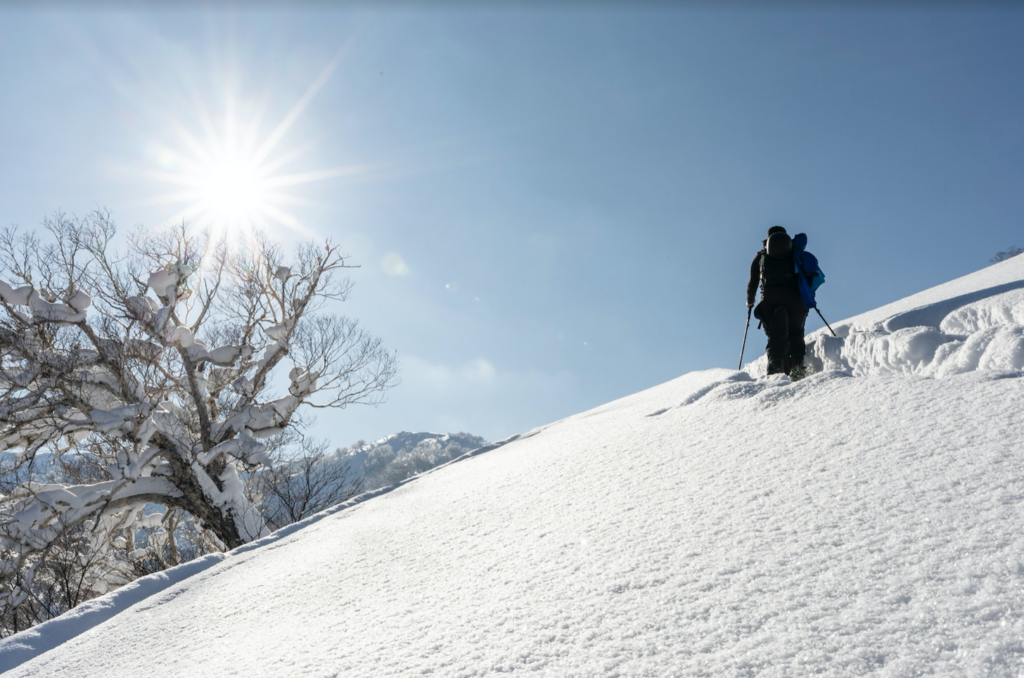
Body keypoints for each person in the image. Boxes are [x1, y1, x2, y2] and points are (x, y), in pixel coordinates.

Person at [746, 226, 808, 376]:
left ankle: (776, 369)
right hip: (795, 301)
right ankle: (798, 367)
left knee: (776, 335)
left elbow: (752, 283)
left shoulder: (760, 257)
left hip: (770, 301)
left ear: (767, 240)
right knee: (795, 332)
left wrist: (750, 301)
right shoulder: (796, 253)